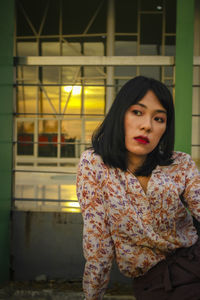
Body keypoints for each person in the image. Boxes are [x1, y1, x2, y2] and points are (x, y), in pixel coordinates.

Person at [76, 76, 200, 300]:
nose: (147, 126)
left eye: (159, 118)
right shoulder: (94, 164)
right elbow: (98, 244)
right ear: (119, 115)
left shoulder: (181, 164)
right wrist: (92, 296)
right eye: (137, 112)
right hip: (155, 282)